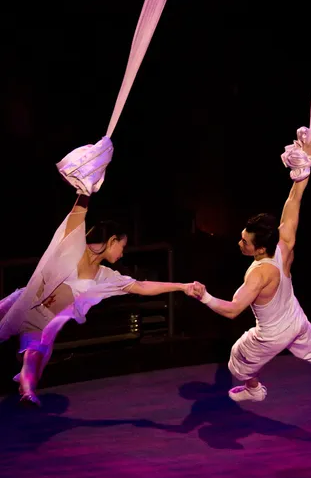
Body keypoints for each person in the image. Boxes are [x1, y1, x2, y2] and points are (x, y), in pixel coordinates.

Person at [190, 128, 311, 404]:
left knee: (237, 359)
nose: (240, 243)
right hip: (295, 319)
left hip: (271, 334)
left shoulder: (259, 274)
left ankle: (254, 389)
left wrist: (205, 297)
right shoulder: (284, 242)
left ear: (260, 249)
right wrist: (308, 158)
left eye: (245, 242)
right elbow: (294, 197)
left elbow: (234, 310)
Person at [0, 137, 197, 406]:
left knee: (35, 353)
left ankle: (27, 391)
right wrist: (88, 185)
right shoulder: (74, 245)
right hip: (23, 301)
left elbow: (141, 286)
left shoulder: (106, 277)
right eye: (122, 246)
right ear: (112, 240)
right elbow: (77, 212)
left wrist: (182, 287)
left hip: (42, 320)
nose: (123, 253)